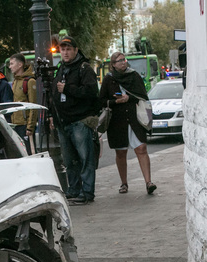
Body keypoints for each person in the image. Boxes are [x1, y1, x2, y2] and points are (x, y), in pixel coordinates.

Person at [50, 35, 99, 205]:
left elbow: (92, 92)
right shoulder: (61, 68)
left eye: (68, 49)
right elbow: (54, 94)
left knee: (85, 159)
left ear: (76, 50)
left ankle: (87, 192)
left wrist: (69, 89)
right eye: (63, 49)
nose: (65, 52)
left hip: (80, 120)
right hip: (63, 122)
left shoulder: (84, 68)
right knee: (69, 161)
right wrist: (52, 116)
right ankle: (74, 190)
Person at [99, 51, 156, 195]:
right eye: (120, 61)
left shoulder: (134, 75)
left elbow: (142, 95)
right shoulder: (108, 79)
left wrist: (128, 98)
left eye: (124, 60)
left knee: (141, 148)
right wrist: (115, 101)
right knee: (121, 152)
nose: (123, 62)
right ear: (113, 64)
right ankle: (124, 183)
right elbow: (100, 101)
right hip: (117, 121)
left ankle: (148, 182)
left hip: (134, 118)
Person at [9, 53, 38, 154]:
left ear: (20, 64)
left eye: (12, 63)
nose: (10, 66)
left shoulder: (29, 81)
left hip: (24, 125)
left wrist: (30, 127)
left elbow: (33, 105)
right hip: (15, 124)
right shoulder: (15, 82)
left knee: (29, 152)